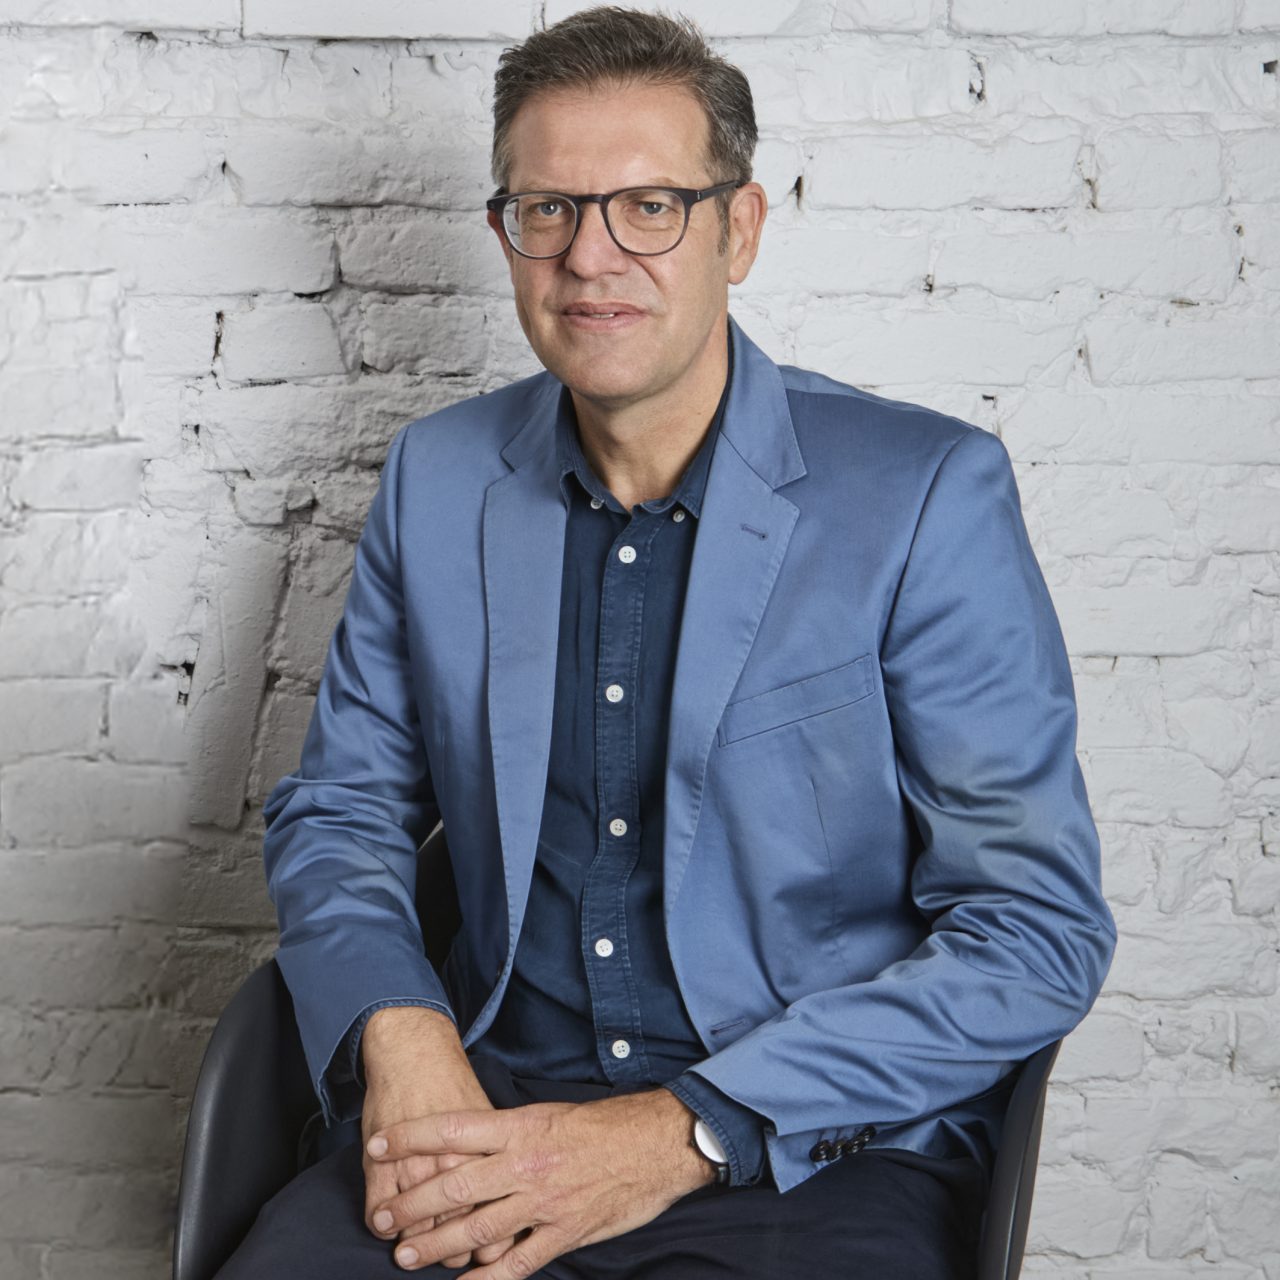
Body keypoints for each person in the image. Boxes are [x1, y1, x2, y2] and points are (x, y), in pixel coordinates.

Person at [213, 7, 1116, 1278]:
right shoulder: (436, 479)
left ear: (736, 230)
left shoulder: (923, 496)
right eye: (548, 209)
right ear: (505, 231)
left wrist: (679, 1130)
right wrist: (403, 1036)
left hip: (808, 1149)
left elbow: (1033, 925)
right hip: (488, 1112)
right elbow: (343, 812)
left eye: (649, 206)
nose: (591, 258)